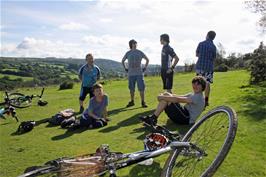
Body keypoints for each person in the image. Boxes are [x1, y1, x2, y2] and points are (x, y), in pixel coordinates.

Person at [140, 76, 206, 126]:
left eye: (198, 84)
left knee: (166, 99)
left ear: (202, 86)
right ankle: (153, 118)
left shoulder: (198, 97)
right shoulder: (193, 94)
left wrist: (162, 97)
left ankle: (153, 119)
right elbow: (178, 96)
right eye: (194, 84)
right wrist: (164, 95)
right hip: (184, 114)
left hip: (186, 119)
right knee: (166, 96)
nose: (195, 86)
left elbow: (178, 99)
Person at [122, 39, 150, 108]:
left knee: (141, 88)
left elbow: (147, 59)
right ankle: (132, 101)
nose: (135, 45)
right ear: (130, 45)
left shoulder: (140, 52)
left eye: (135, 43)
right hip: (131, 74)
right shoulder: (128, 53)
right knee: (131, 89)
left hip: (139, 73)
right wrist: (125, 68)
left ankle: (143, 102)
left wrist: (145, 68)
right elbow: (122, 61)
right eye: (133, 43)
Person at [195, 31, 217, 107]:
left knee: (198, 83)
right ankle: (206, 100)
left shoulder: (201, 44)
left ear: (207, 35)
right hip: (209, 67)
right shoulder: (214, 47)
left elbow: (197, 54)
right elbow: (214, 58)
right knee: (207, 83)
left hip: (200, 66)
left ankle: (198, 100)